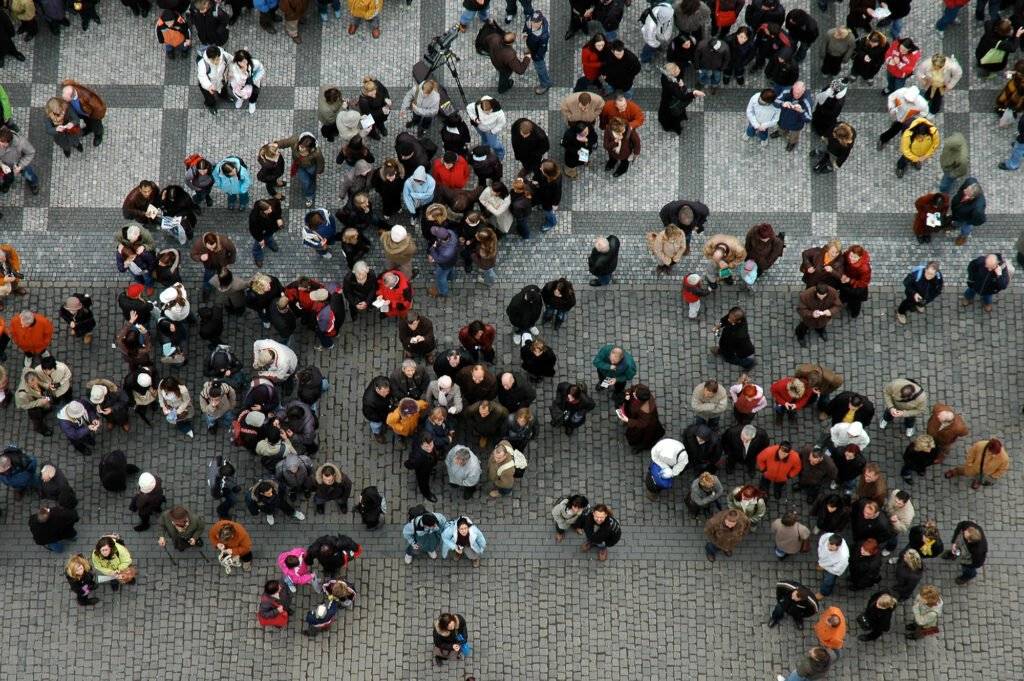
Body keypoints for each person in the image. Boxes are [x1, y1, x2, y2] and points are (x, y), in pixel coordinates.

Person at [944, 438, 1010, 489]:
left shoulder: (1004, 458)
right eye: (994, 452)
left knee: (980, 479)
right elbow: (971, 453)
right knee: (964, 471)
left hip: (986, 473)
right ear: (989, 448)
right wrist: (969, 463)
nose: (995, 454)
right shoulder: (980, 445)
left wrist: (993, 476)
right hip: (974, 467)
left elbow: (1003, 469)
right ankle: (954, 472)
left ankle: (977, 482)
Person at [772, 81, 813, 152]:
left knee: (794, 135)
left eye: (799, 93)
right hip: (784, 118)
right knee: (781, 128)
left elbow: (809, 118)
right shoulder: (786, 91)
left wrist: (801, 111)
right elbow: (775, 101)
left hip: (796, 124)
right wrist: (782, 103)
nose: (796, 95)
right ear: (793, 87)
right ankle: (780, 133)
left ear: (803, 91)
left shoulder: (807, 101)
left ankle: (792, 143)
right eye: (795, 92)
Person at [524, 11, 552, 95]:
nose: (533, 25)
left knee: (540, 68)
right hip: (532, 45)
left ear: (541, 21)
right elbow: (526, 25)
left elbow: (542, 50)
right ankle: (531, 50)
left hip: (537, 53)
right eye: (533, 22)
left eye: (536, 23)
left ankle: (545, 84)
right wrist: (525, 32)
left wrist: (535, 57)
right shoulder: (530, 19)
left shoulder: (544, 36)